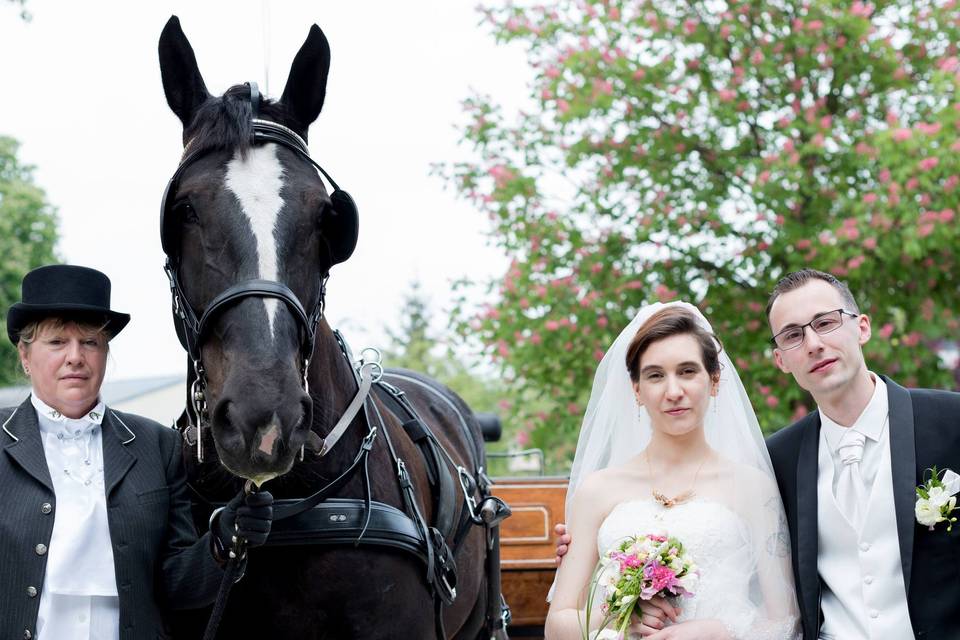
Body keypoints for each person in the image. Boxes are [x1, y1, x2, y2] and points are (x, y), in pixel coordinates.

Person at [0, 264, 274, 640]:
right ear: (26, 356)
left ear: (105, 353)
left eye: (90, 343)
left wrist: (224, 541)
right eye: (57, 342)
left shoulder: (158, 445)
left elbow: (175, 585)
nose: (75, 357)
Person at [545, 302, 799, 639]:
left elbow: (787, 620)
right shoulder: (597, 490)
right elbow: (557, 625)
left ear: (714, 380)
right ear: (636, 390)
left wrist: (722, 632)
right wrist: (622, 615)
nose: (674, 391)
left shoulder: (753, 487)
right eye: (655, 375)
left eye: (687, 371)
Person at [764, 269, 960, 639]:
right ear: (781, 360)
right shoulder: (777, 460)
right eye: (793, 335)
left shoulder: (952, 422)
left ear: (863, 328)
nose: (813, 343)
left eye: (825, 322)